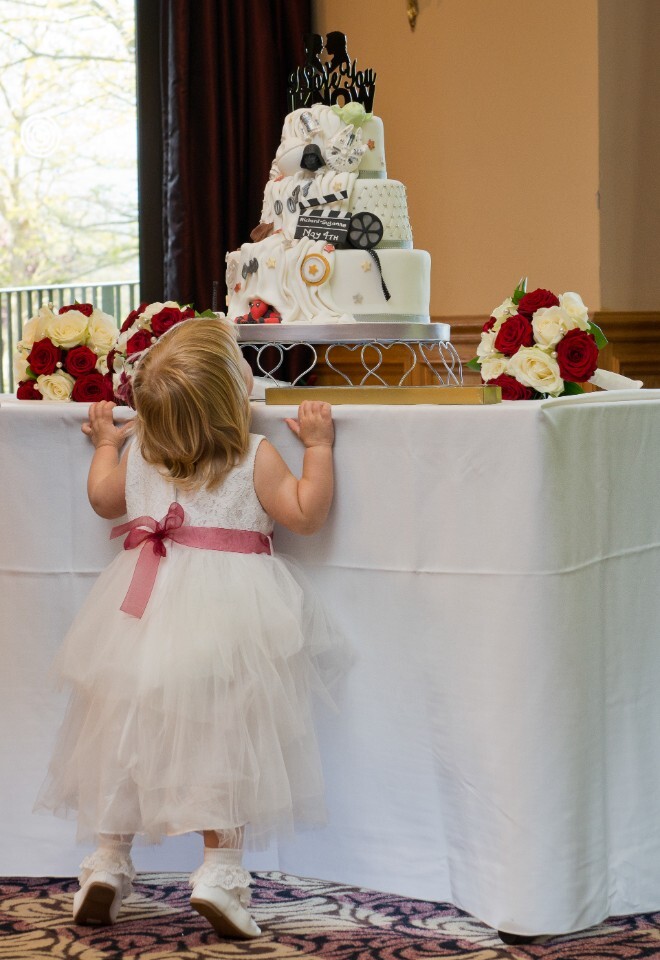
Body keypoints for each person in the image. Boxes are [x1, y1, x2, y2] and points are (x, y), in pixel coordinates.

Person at [35, 318, 338, 939]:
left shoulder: (143, 452)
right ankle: (220, 872)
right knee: (224, 741)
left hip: (136, 617)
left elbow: (102, 499)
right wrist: (320, 447)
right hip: (226, 625)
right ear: (235, 396)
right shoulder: (255, 455)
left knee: (122, 732)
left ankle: (108, 861)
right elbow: (306, 514)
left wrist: (103, 445)